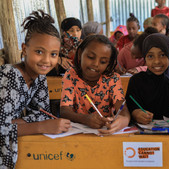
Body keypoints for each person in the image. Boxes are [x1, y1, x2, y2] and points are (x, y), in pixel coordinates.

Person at [0, 10, 71, 168]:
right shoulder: (10, 76)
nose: (46, 60)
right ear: (24, 49)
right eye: (39, 52)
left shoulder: (39, 77)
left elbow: (42, 114)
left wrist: (14, 124)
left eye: (53, 54)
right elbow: (3, 128)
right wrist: (41, 127)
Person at [60, 35, 130, 134]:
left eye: (103, 61)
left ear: (108, 64)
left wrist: (124, 120)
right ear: (80, 54)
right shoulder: (71, 75)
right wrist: (85, 119)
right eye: (91, 57)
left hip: (105, 132)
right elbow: (64, 111)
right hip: (77, 133)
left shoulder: (112, 78)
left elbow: (122, 108)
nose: (96, 64)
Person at [125, 33, 169, 124]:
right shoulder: (136, 82)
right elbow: (129, 107)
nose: (157, 61)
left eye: (162, 55)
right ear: (145, 58)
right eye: (150, 56)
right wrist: (136, 113)